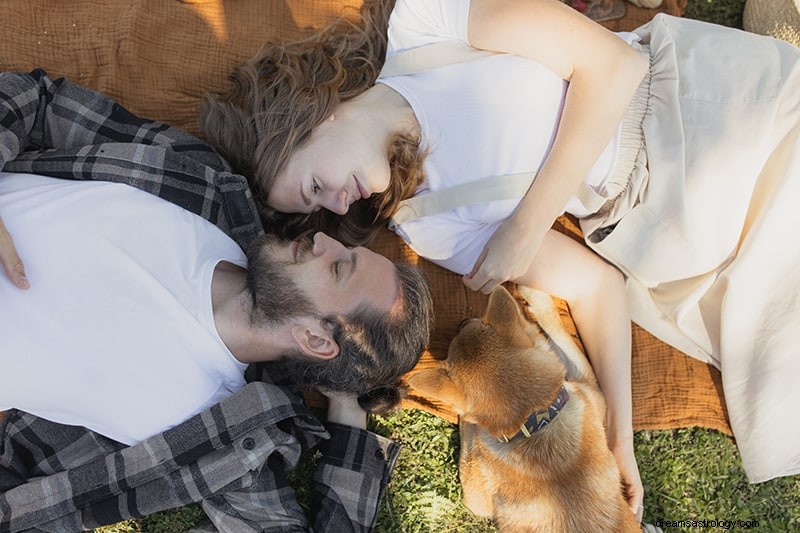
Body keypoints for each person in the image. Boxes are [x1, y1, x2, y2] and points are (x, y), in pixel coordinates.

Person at [199, 0, 800, 516]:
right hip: (671, 213)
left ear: (314, 117)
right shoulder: (427, 223)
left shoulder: (426, 22)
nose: (339, 203)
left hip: (702, 105)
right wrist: (619, 440)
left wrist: (527, 223)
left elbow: (614, 66)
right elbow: (597, 288)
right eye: (321, 210)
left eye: (314, 186)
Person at [0, 69, 434, 531]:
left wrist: (349, 411)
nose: (322, 240)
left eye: (337, 267)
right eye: (345, 249)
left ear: (316, 338)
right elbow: (40, 99)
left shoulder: (223, 441)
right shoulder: (207, 186)